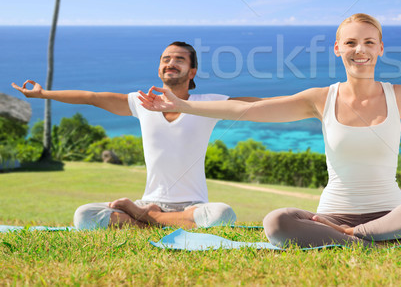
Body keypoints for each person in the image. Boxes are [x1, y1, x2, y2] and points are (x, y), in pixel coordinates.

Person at [136, 15, 401, 248]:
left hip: (391, 213)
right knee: (277, 222)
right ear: (338, 49)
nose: (360, 50)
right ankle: (373, 242)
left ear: (380, 49)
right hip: (334, 216)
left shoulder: (400, 95)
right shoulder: (318, 98)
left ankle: (360, 240)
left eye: (369, 42)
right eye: (351, 42)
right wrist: (182, 105)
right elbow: (252, 112)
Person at [12, 41, 258, 230]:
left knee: (222, 214)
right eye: (166, 58)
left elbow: (257, 105)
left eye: (179, 59)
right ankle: (150, 218)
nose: (171, 62)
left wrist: (297, 102)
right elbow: (92, 97)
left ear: (192, 72)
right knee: (84, 215)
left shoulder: (208, 104)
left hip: (192, 207)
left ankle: (149, 220)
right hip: (149, 200)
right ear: (160, 67)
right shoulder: (142, 103)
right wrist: (44, 94)